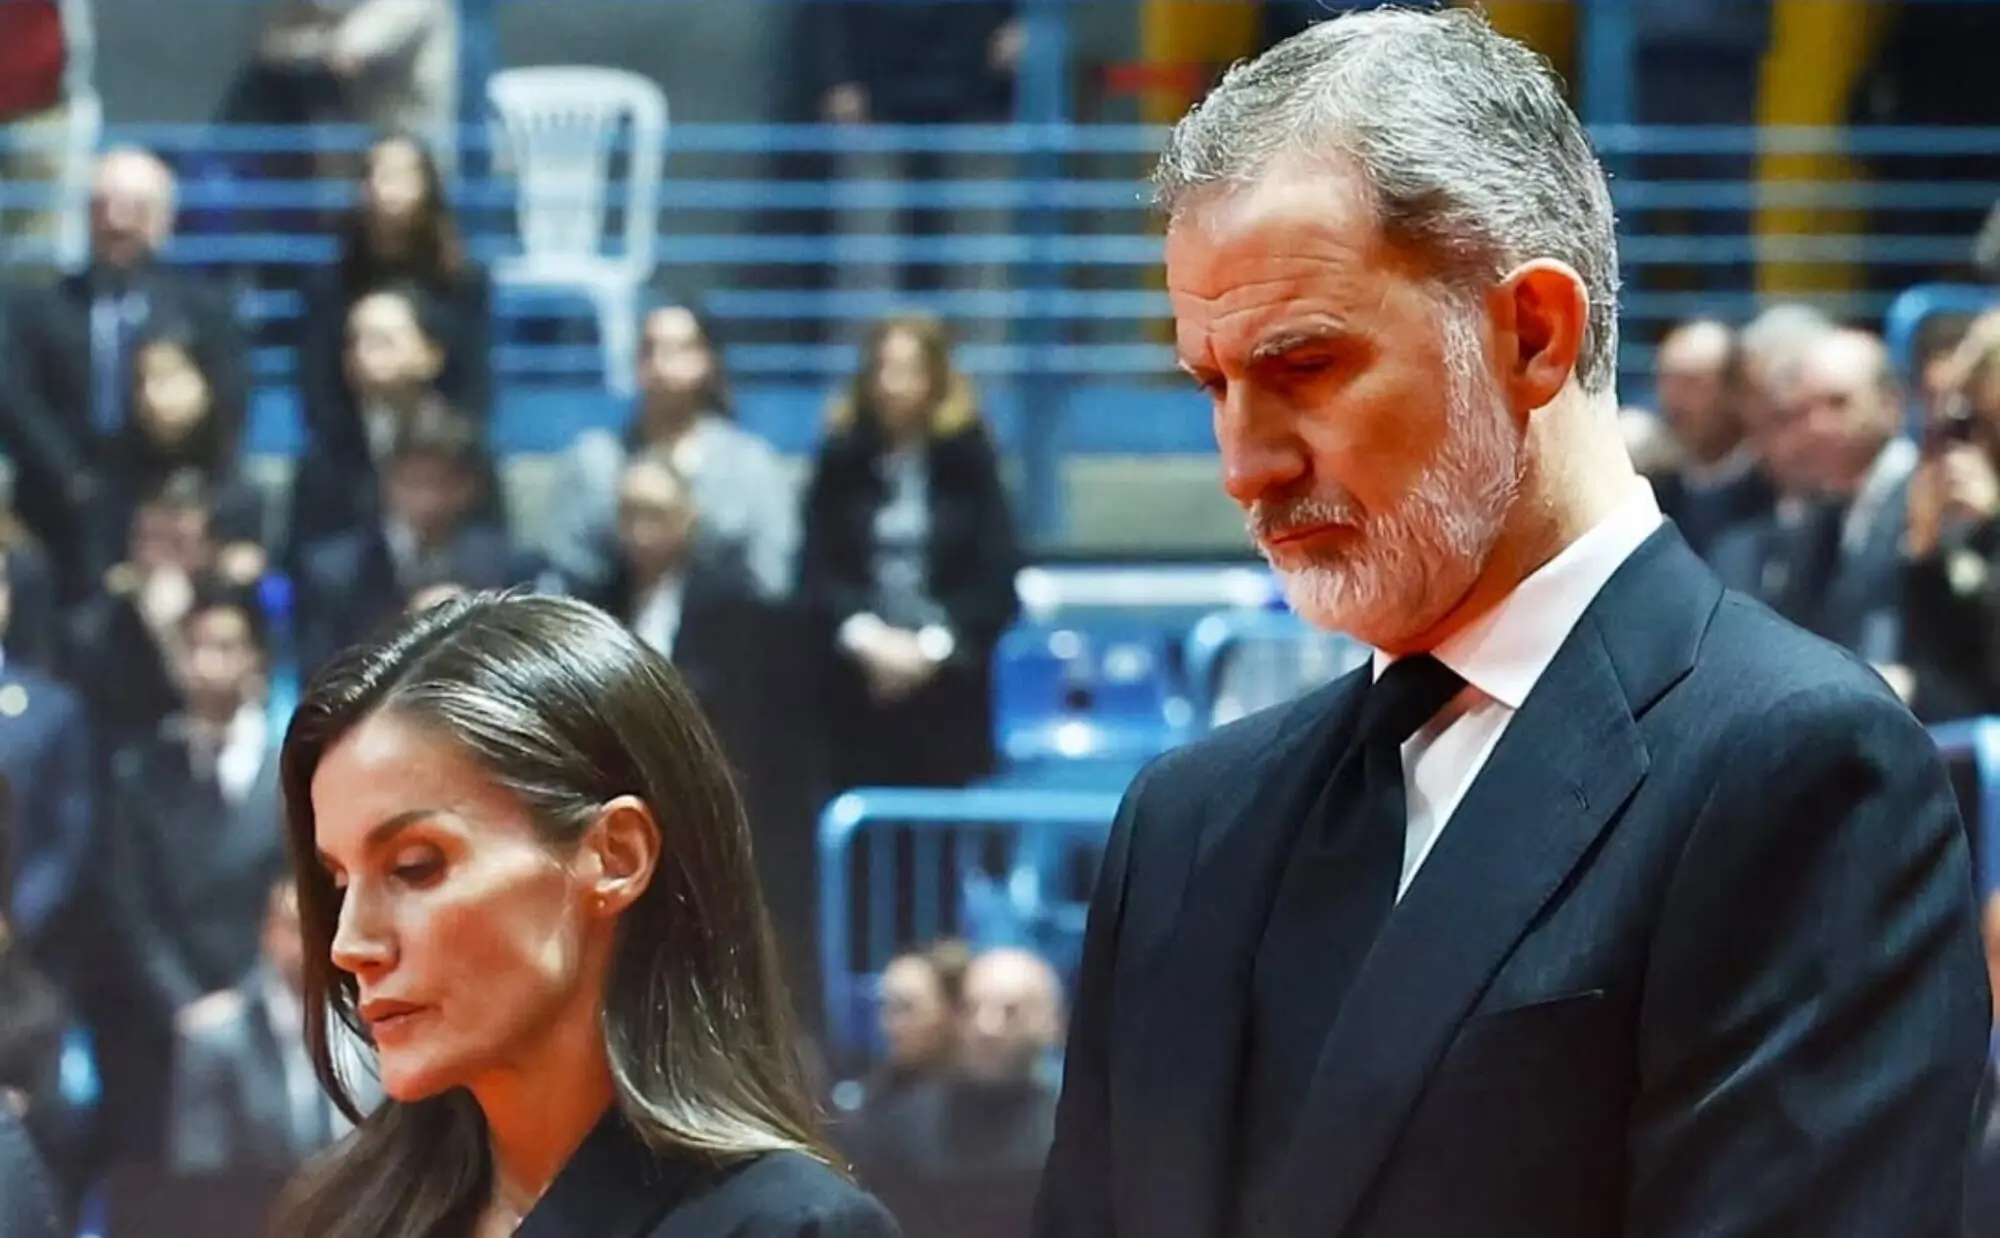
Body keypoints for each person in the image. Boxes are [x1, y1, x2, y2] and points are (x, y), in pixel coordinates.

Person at [1035, 10, 1988, 1238]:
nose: (1243, 463)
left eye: (1303, 366)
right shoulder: (1182, 820)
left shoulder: (1800, 768)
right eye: (1213, 384)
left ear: (1531, 334)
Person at [271, 592, 899, 1238]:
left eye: (415, 867)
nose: (349, 944)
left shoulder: (791, 1229)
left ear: (616, 855)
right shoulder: (337, 1219)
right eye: (339, 883)